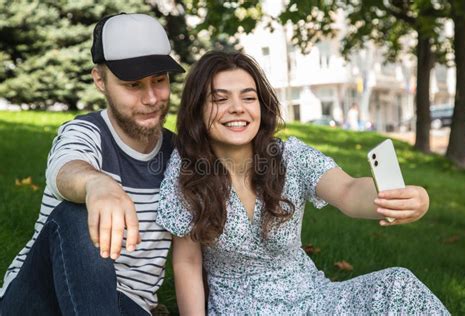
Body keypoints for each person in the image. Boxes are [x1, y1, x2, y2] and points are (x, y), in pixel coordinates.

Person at [155, 51, 449, 315]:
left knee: (397, 284)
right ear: (198, 108)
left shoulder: (290, 157)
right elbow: (188, 263)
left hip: (314, 300)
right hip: (240, 308)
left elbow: (348, 190)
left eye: (248, 97)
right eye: (220, 99)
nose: (237, 108)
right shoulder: (187, 169)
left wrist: (399, 198)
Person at [0, 13, 184, 315]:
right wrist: (96, 184)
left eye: (160, 80)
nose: (151, 98)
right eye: (133, 84)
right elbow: (67, 166)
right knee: (76, 210)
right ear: (100, 80)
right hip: (38, 299)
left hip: (126, 303)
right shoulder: (85, 131)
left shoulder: (179, 155)